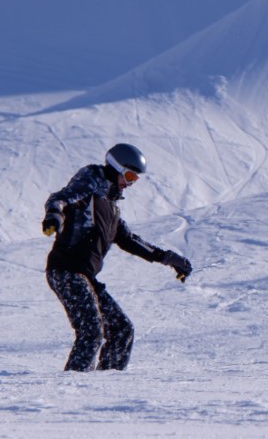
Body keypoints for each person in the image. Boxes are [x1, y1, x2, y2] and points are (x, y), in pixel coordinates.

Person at [41, 143, 192, 371]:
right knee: (91, 331)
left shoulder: (110, 207)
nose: (129, 184)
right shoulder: (89, 185)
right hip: (66, 270)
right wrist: (54, 216)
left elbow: (129, 239)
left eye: (135, 180)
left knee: (122, 331)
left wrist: (170, 259)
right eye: (129, 176)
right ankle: (72, 391)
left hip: (86, 276)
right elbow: (60, 198)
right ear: (115, 167)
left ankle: (106, 389)